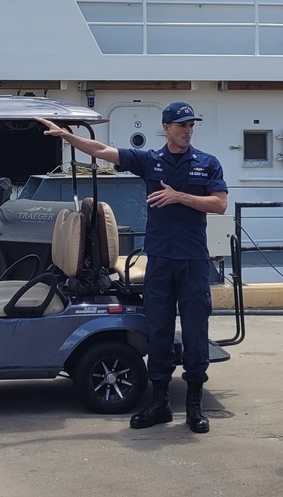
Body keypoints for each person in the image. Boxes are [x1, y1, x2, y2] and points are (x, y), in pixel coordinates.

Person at [34, 102, 227, 434]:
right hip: (160, 261)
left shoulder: (207, 163)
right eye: (181, 125)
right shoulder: (151, 160)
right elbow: (103, 150)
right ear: (166, 127)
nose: (187, 130)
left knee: (196, 333)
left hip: (193, 261)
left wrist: (180, 197)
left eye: (191, 125)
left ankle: (194, 405)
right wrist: (69, 138)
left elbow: (220, 204)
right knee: (158, 332)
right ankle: (160, 402)